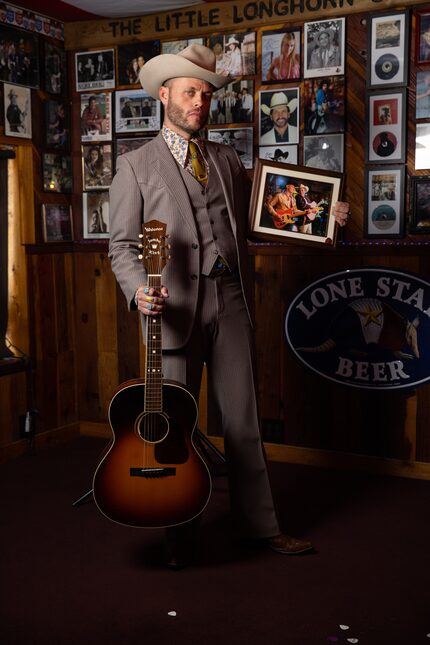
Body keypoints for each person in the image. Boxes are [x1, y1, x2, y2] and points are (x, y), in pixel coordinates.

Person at [108, 44, 349, 568]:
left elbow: (268, 212)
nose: (200, 102)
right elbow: (122, 247)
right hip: (170, 309)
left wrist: (325, 214)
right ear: (165, 94)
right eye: (191, 92)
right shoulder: (135, 166)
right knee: (173, 424)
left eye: (206, 94)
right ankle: (178, 534)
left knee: (243, 420)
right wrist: (137, 290)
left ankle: (260, 528)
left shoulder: (224, 158)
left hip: (230, 300)